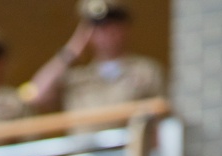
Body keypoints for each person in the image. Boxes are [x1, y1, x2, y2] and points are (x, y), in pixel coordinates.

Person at [25, 1, 164, 115]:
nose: (107, 31)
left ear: (126, 26)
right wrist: (70, 51)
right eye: (98, 25)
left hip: (130, 147)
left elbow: (163, 117)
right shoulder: (76, 77)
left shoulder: (146, 71)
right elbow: (36, 96)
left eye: (114, 22)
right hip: (84, 148)